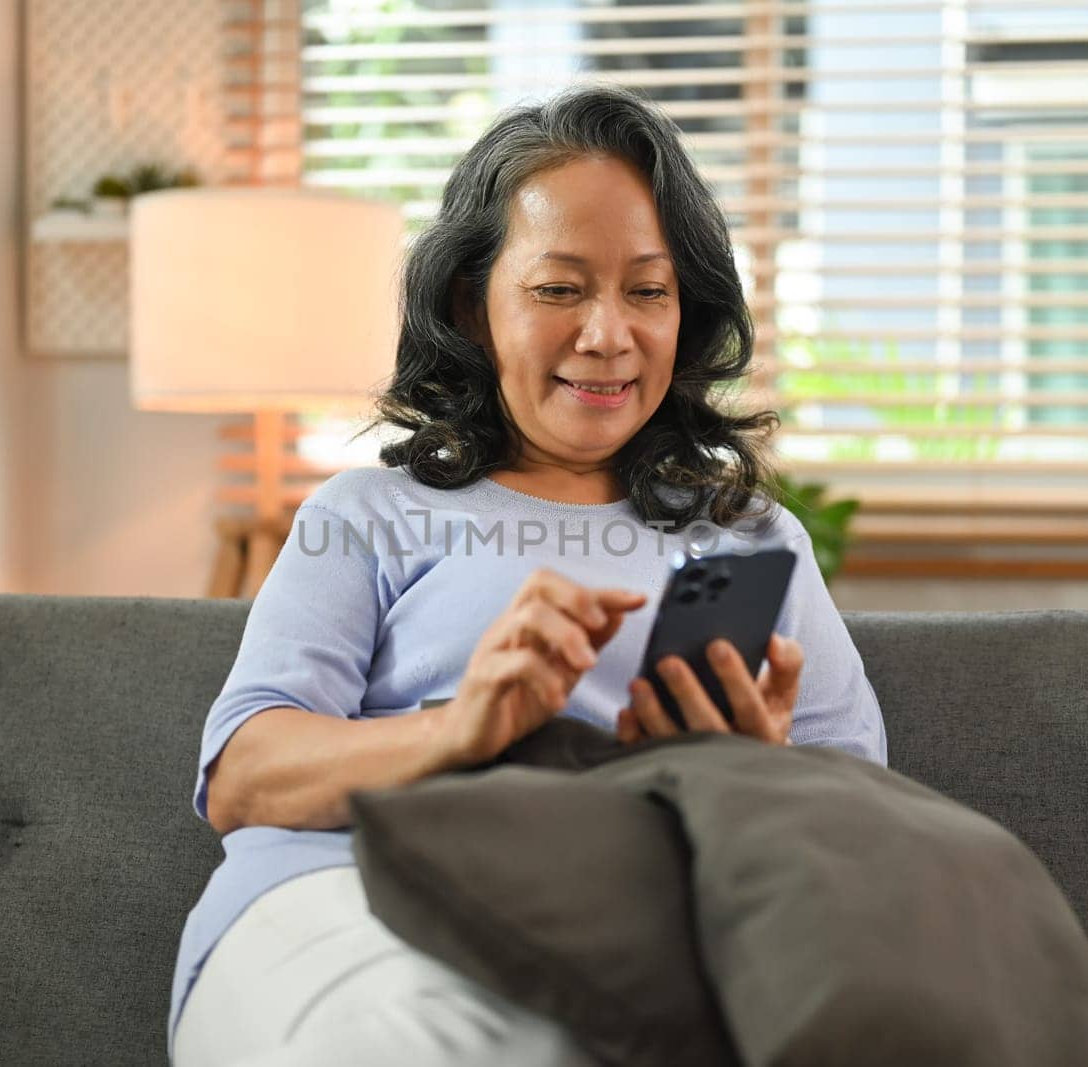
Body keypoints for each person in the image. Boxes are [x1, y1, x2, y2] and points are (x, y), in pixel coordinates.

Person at [170, 82, 888, 1067]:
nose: (608, 334)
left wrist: (750, 782)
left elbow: (867, 831)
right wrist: (459, 731)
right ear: (474, 303)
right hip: (352, 902)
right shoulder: (366, 516)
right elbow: (241, 778)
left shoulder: (746, 540)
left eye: (647, 289)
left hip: (626, 925)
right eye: (559, 289)